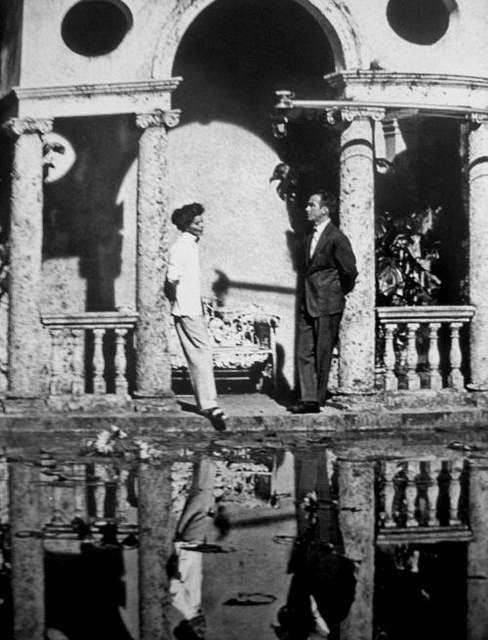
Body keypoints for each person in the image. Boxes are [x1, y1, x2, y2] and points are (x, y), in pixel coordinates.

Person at [290, 191, 357, 414]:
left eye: (311, 205)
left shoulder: (337, 238)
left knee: (323, 352)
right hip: (307, 301)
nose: (307, 209)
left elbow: (349, 271)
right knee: (304, 351)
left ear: (324, 210)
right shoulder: (310, 236)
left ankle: (315, 401)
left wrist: (335, 292)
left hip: (327, 303)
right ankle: (307, 397)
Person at [167, 203, 227, 431]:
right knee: (201, 354)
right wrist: (178, 304)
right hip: (186, 309)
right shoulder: (180, 247)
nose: (202, 226)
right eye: (197, 223)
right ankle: (209, 405)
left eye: (201, 222)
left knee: (200, 353)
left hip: (192, 307)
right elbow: (171, 279)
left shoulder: (190, 245)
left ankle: (208, 403)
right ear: (186, 226)